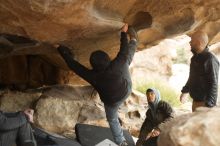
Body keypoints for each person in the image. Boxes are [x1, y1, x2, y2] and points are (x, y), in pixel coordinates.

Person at [56, 23, 138, 146]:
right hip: (125, 91)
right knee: (126, 59)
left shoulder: (92, 76)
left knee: (112, 119)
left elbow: (73, 65)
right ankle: (134, 40)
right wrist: (123, 33)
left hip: (111, 102)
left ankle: (121, 142)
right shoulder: (115, 66)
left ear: (93, 65)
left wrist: (60, 49)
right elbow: (124, 51)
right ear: (107, 59)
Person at [180, 31, 219, 112]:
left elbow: (213, 83)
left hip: (205, 104)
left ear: (198, 42)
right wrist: (185, 91)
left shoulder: (210, 59)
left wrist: (209, 106)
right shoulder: (194, 59)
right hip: (195, 102)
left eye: (192, 40)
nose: (190, 42)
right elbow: (192, 77)